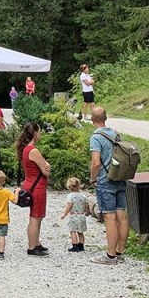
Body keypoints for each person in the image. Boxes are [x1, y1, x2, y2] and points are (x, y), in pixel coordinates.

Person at [89, 107, 128, 265]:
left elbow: (96, 163)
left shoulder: (96, 137)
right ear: (106, 118)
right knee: (122, 216)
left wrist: (93, 179)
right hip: (120, 178)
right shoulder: (115, 134)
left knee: (109, 218)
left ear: (92, 119)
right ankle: (120, 252)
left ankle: (110, 256)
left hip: (105, 181)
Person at [19, 121, 51, 257]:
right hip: (36, 187)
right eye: (40, 131)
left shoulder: (25, 149)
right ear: (35, 133)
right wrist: (47, 166)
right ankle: (32, 247)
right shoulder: (34, 150)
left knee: (37, 216)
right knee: (35, 217)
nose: (41, 133)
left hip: (30, 183)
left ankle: (36, 243)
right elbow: (46, 171)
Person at [60, 177, 88, 252]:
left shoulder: (70, 196)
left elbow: (69, 205)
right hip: (82, 216)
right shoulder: (83, 196)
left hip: (74, 216)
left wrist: (64, 214)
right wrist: (87, 212)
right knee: (80, 232)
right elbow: (86, 205)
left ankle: (75, 246)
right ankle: (81, 246)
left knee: (73, 231)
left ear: (69, 186)